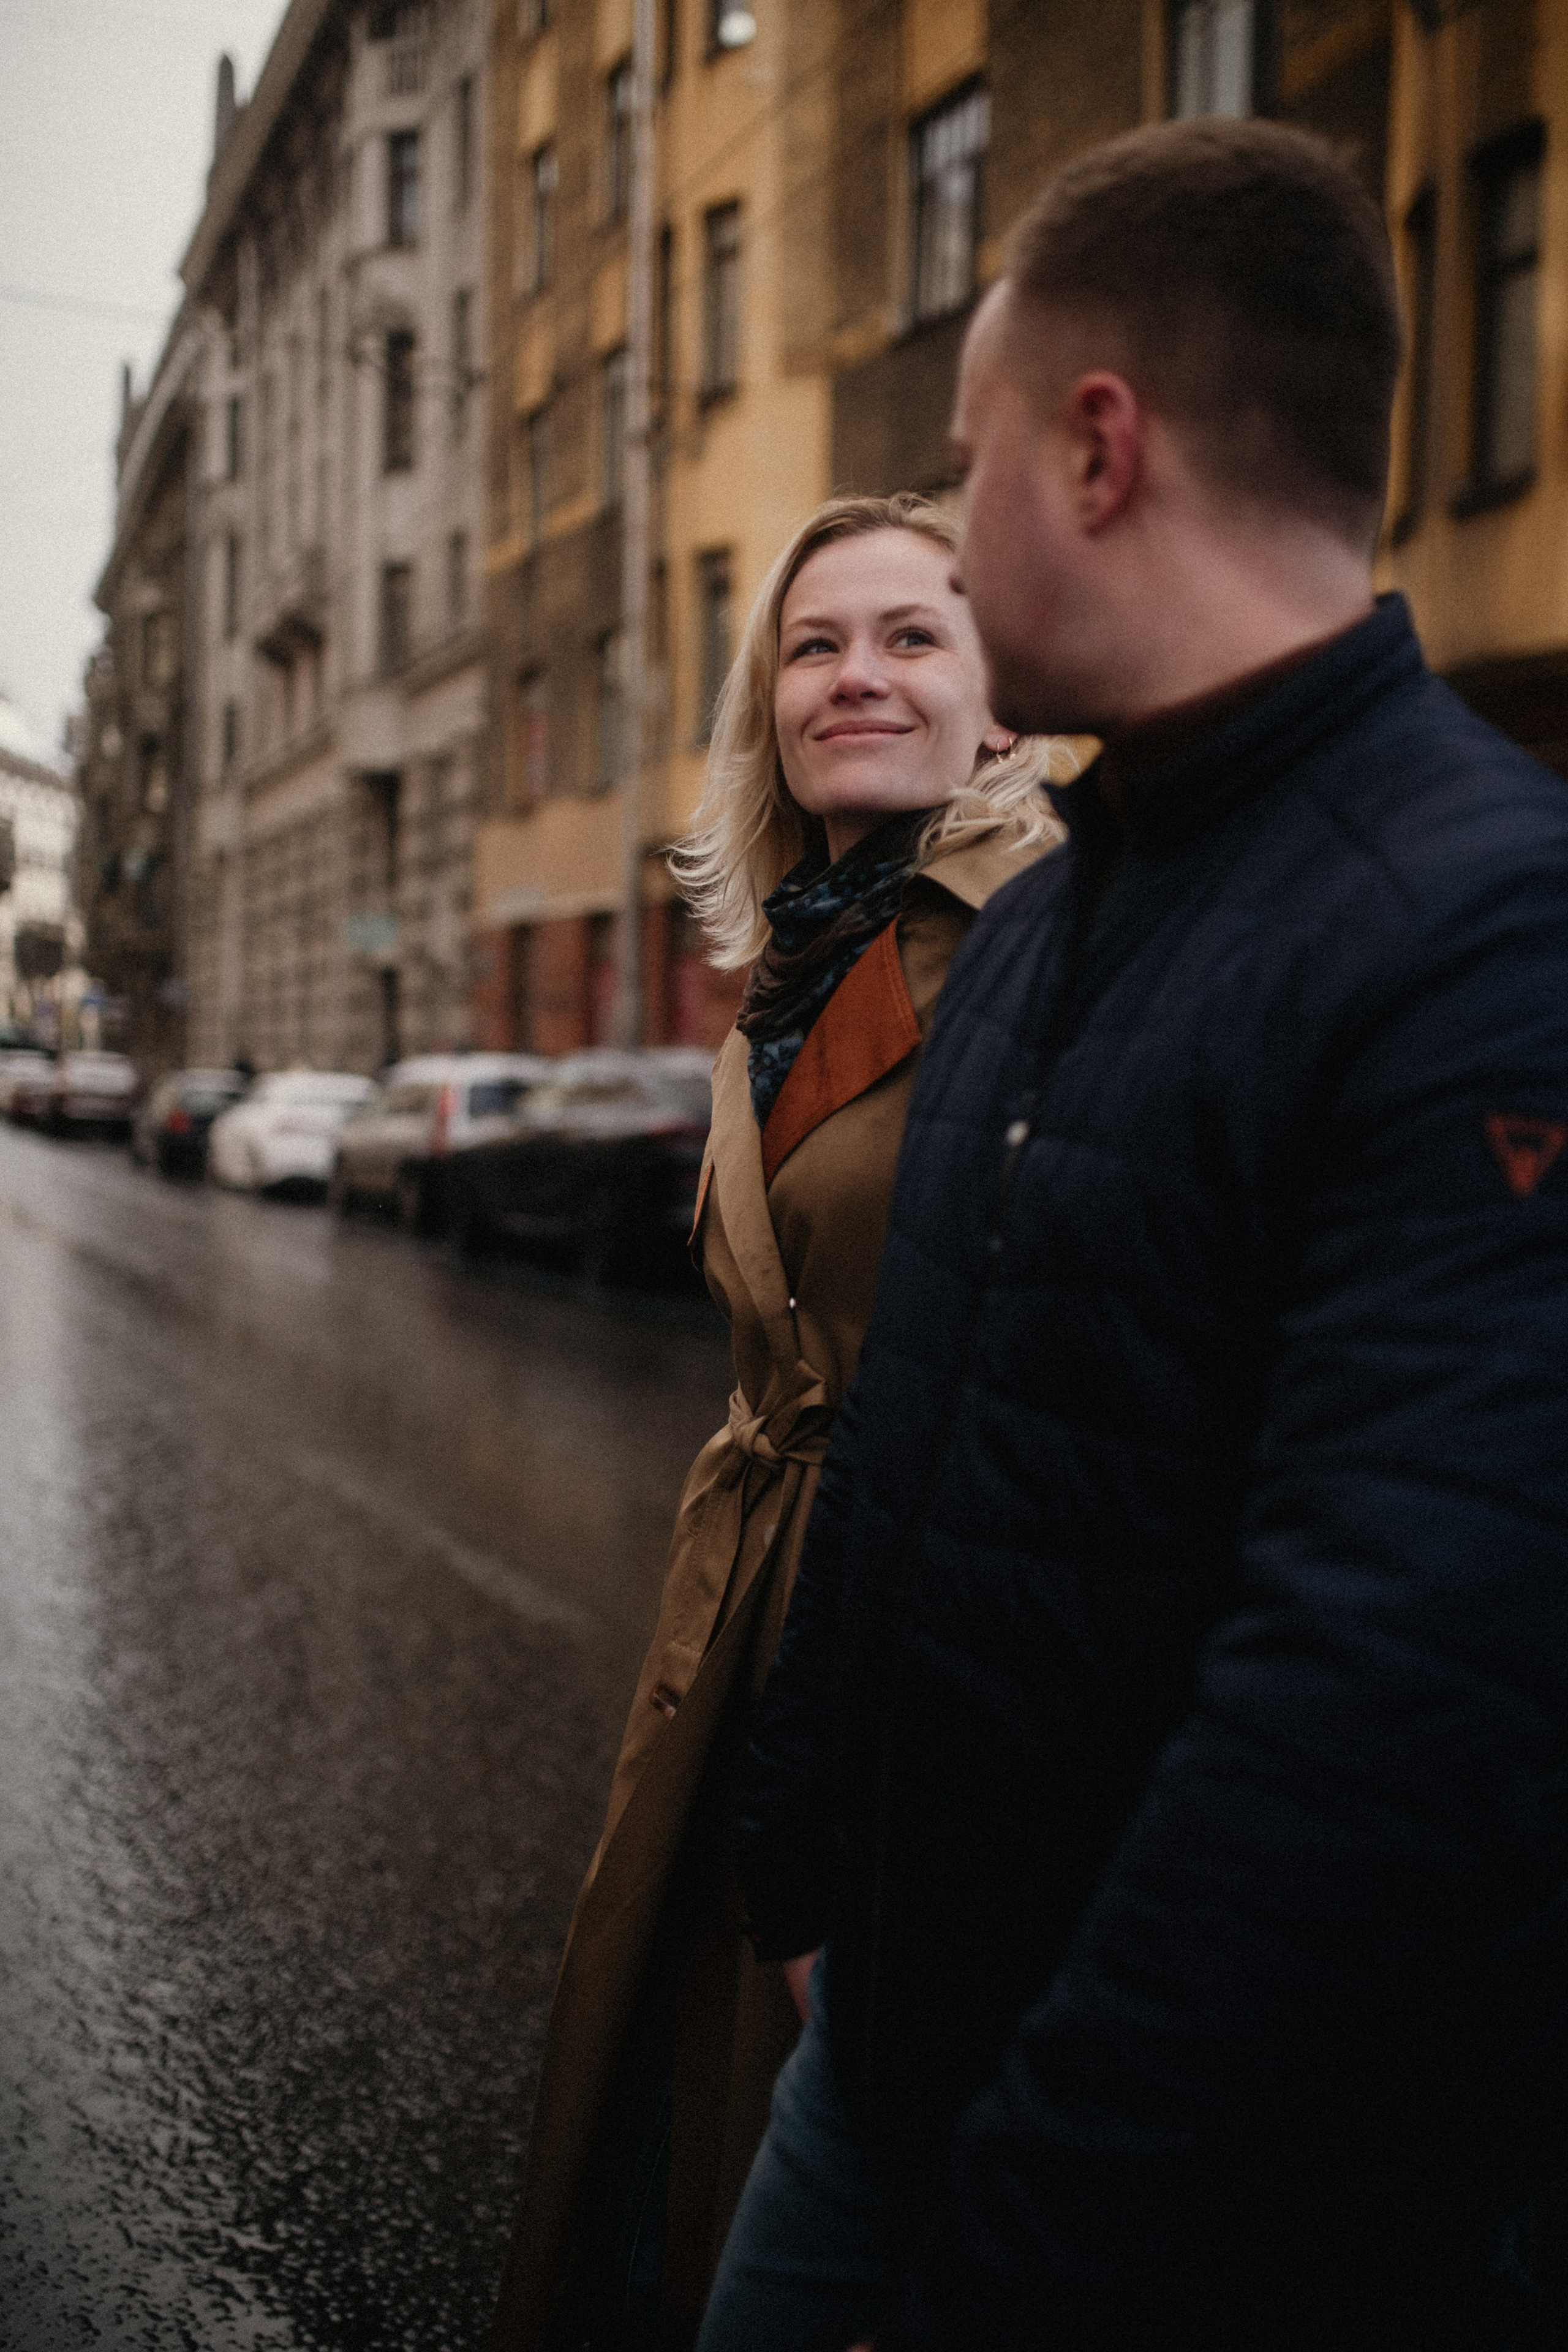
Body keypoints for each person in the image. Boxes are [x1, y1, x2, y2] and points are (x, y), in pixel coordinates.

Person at [704, 119, 1568, 2352]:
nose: (958, 553)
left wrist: (1046, 2221)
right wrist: (807, 1867)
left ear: (1098, 450)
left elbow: (1388, 1698)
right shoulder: (1054, 915)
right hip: (883, 2070)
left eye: (971, 466)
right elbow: (922, 1446)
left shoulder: (1491, 929)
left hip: (1180, 2198)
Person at [491, 493, 1064, 2351]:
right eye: (814, 646)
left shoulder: (1052, 940)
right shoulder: (799, 959)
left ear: (1000, 702)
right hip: (751, 1616)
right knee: (678, 2129)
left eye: (914, 636)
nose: (856, 676)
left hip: (914, 1639)